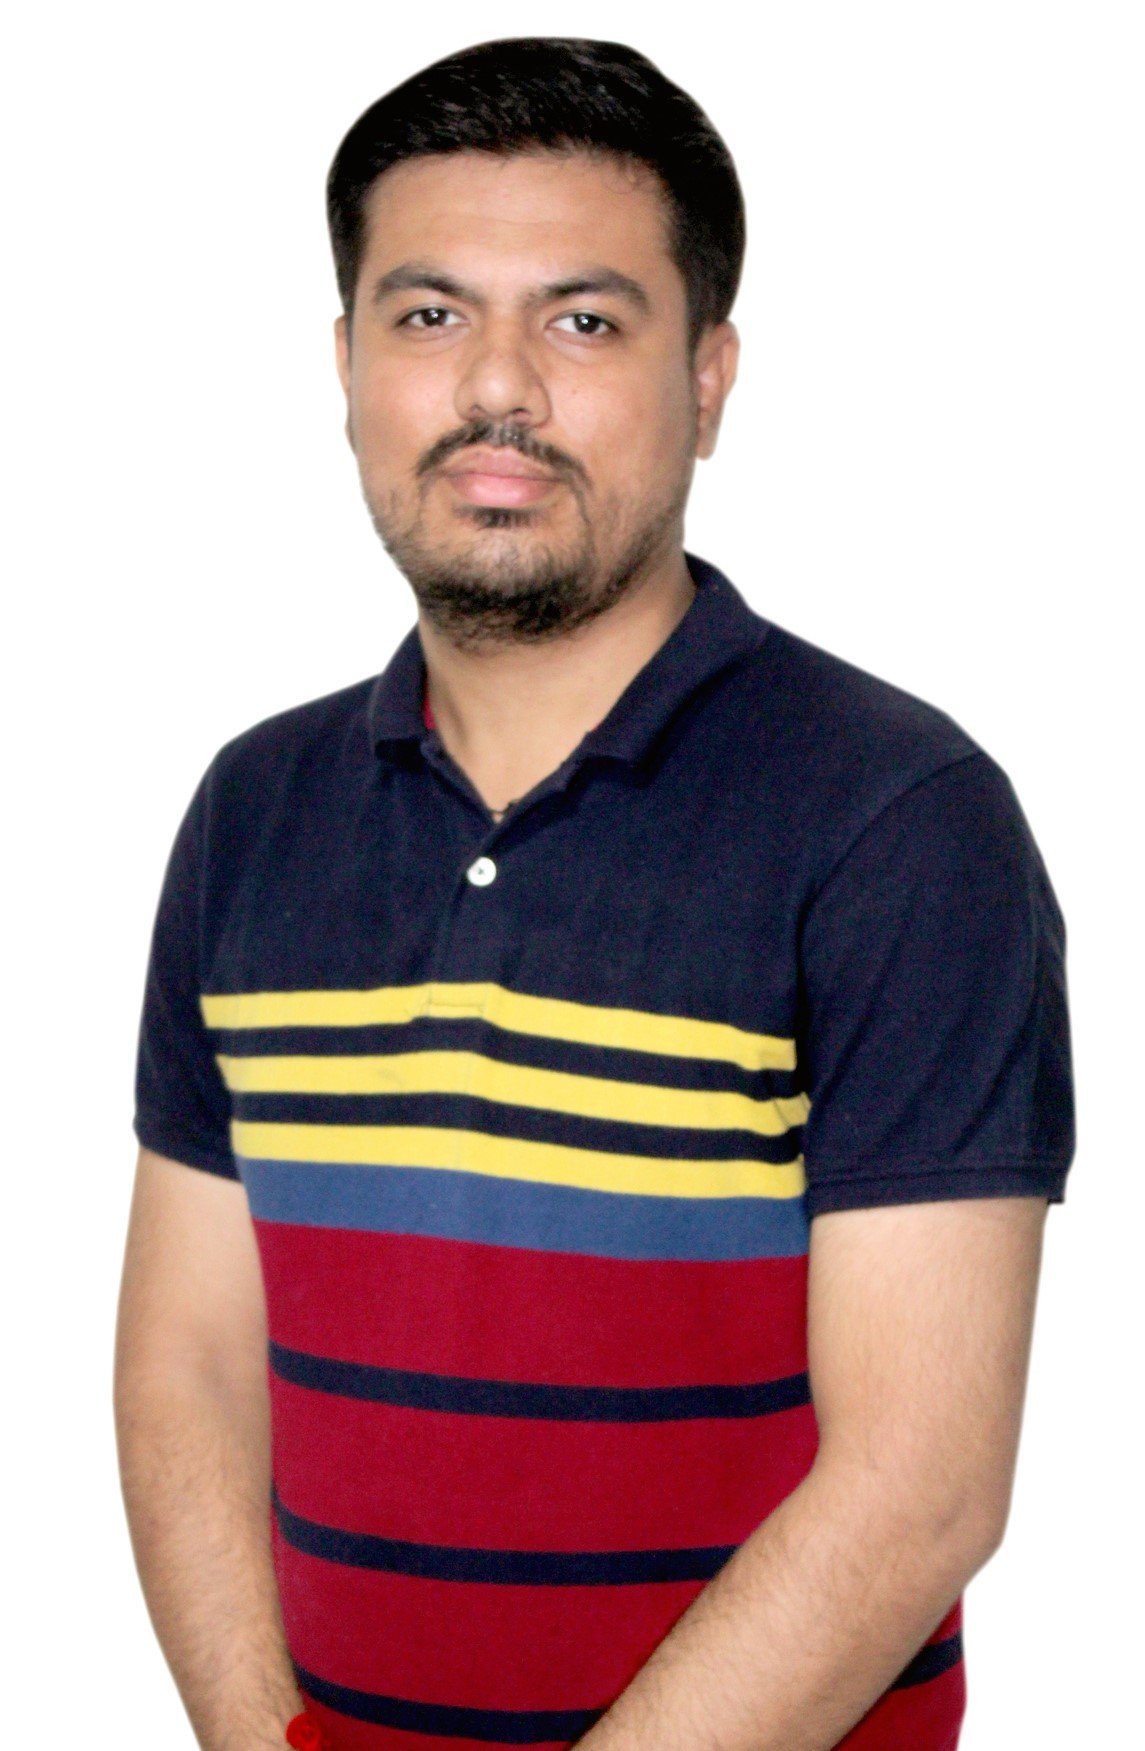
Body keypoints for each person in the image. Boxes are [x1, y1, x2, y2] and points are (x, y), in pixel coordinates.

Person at [114, 36, 1074, 1751]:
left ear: (707, 379)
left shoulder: (896, 819)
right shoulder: (256, 811)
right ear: (346, 364)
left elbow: (921, 1486)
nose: (496, 386)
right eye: (428, 315)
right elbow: (185, 1368)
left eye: (580, 322)